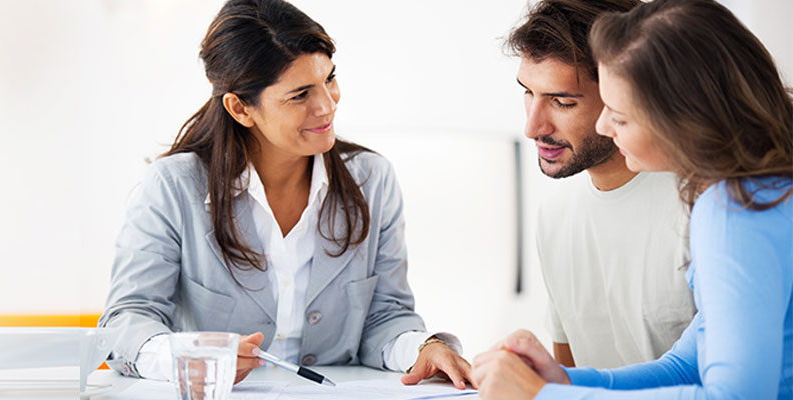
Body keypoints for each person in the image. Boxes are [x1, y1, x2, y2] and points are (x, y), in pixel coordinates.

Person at [98, 0, 472, 388]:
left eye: (329, 79)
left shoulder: (372, 180)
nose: (327, 106)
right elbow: (126, 320)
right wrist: (190, 355)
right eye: (300, 95)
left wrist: (422, 348)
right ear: (241, 108)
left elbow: (386, 317)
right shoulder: (174, 186)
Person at [471, 0, 793, 398]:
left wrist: (542, 396)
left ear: (681, 119)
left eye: (620, 116)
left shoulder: (735, 209)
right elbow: (686, 365)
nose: (606, 125)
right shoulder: (751, 192)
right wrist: (560, 381)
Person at [506, 0, 695, 369]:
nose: (532, 127)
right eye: (528, 92)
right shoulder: (555, 215)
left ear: (624, 95)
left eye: (561, 102)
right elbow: (569, 378)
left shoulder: (703, 204)